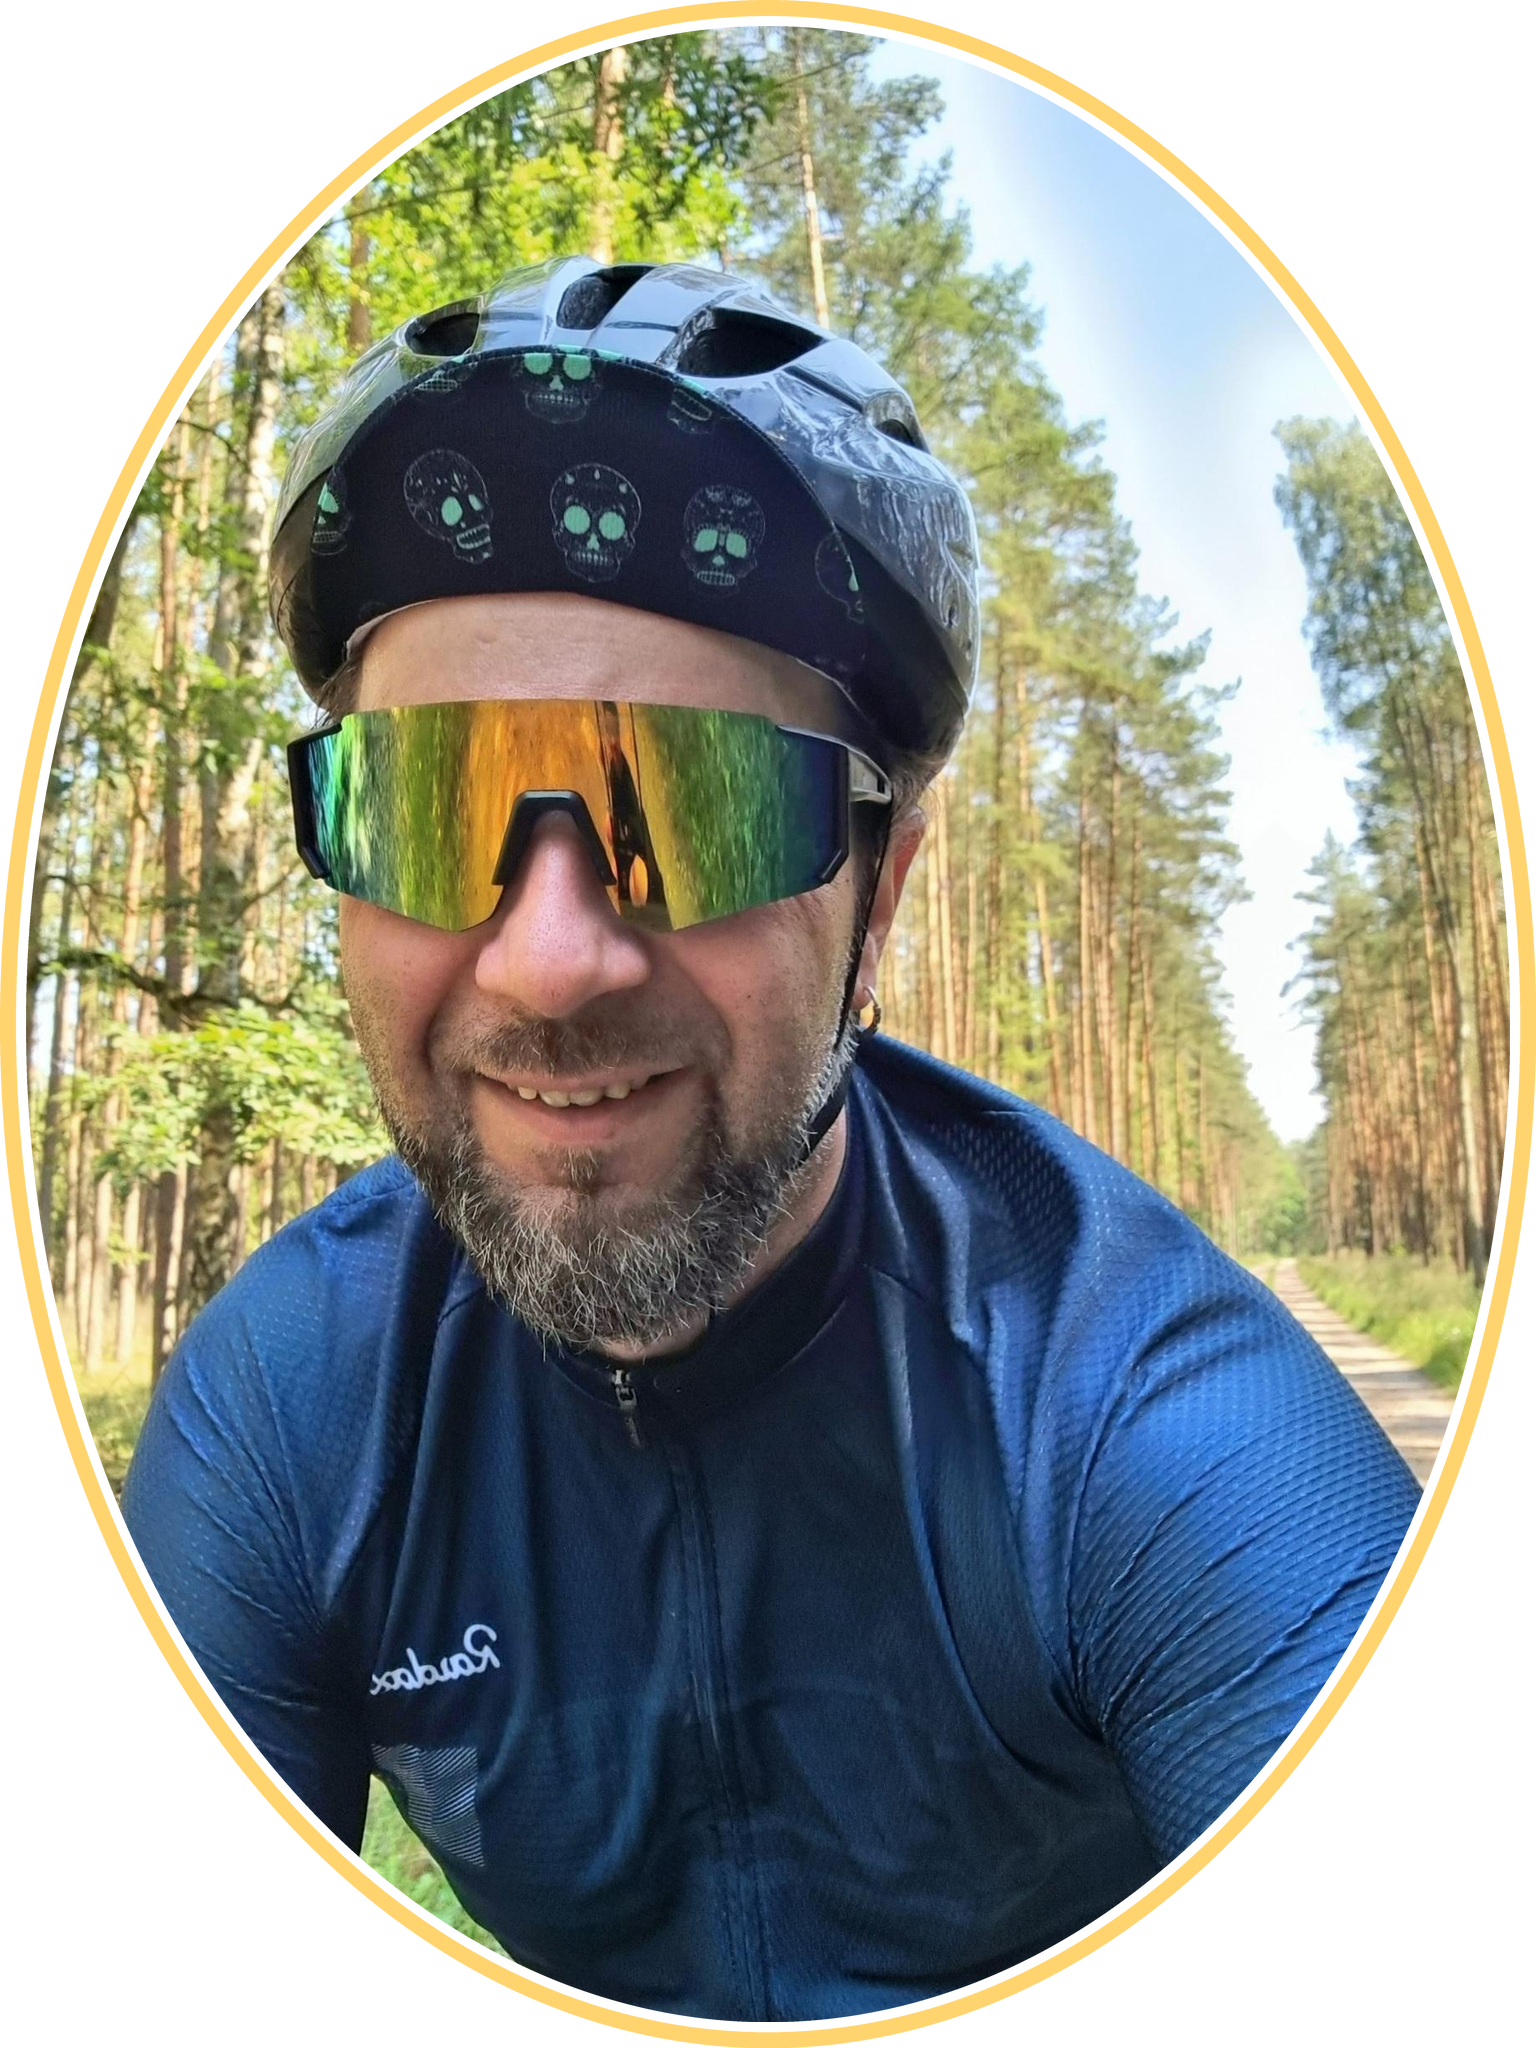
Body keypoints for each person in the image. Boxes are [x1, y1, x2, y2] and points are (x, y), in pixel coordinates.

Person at [123, 258, 1420, 2023]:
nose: (549, 958)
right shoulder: (294, 1414)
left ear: (882, 894)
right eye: (425, 804)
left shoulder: (1139, 1422)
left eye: (701, 804)